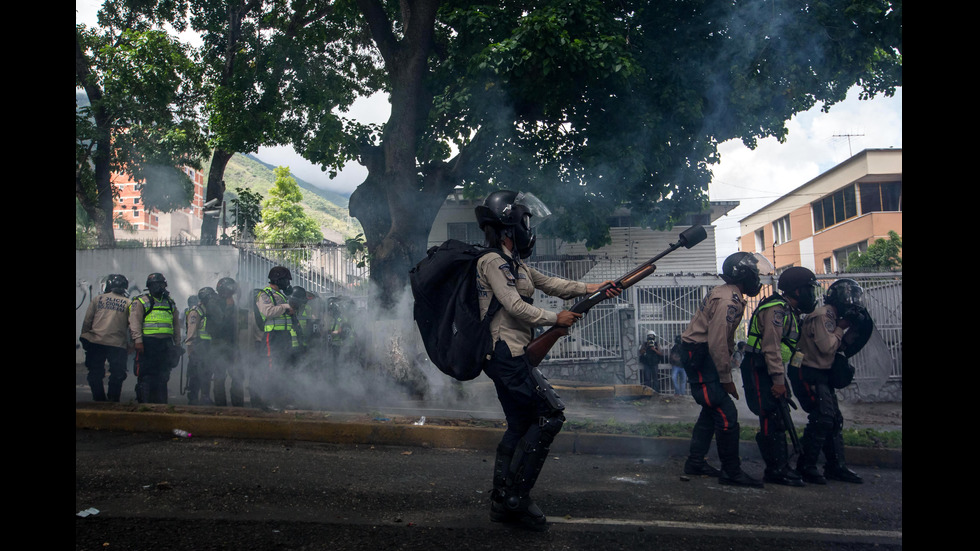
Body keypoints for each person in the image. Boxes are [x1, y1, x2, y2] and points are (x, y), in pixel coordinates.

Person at [474, 190, 621, 531]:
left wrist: (595, 288)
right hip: (505, 354)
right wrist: (556, 319)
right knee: (549, 416)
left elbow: (554, 283)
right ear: (509, 226)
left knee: (520, 424)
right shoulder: (492, 262)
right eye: (525, 220)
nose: (529, 227)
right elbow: (514, 305)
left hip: (513, 355)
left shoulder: (517, 264)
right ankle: (517, 498)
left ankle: (502, 499)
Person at [678, 251, 770, 487]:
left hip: (702, 354)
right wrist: (725, 377)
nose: (757, 278)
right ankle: (731, 471)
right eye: (754, 273)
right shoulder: (729, 300)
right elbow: (717, 341)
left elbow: (722, 341)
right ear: (744, 275)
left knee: (710, 411)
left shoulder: (729, 294)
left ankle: (695, 462)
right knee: (725, 413)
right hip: (701, 355)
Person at [740, 267, 820, 487]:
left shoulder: (790, 311)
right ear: (796, 291)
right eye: (808, 290)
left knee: (779, 415)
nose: (811, 296)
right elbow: (772, 348)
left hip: (771, 368)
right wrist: (778, 380)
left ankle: (782, 465)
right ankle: (775, 469)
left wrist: (785, 378)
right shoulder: (776, 309)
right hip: (759, 367)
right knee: (770, 414)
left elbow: (793, 349)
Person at [790, 278, 869, 485]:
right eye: (849, 298)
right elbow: (827, 347)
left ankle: (836, 467)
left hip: (820, 371)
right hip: (807, 371)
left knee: (833, 419)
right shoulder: (824, 316)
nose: (853, 302)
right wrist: (841, 328)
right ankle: (805, 466)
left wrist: (853, 329)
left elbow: (839, 347)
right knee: (822, 417)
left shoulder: (833, 317)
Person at [129, 273, 181, 404]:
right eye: (155, 284)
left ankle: (161, 404)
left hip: (165, 344)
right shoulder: (141, 301)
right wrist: (138, 341)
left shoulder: (170, 302)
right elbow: (135, 322)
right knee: (146, 375)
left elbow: (176, 325)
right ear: (149, 286)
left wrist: (178, 344)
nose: (158, 287)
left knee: (163, 375)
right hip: (147, 344)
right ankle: (145, 403)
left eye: (161, 284)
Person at [79, 274, 131, 402]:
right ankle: (113, 400)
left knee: (95, 373)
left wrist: (84, 336)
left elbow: (87, 321)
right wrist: (133, 343)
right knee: (118, 373)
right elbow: (132, 326)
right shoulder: (129, 303)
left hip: (96, 341)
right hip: (118, 344)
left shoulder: (98, 299)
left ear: (108, 286)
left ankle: (99, 399)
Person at [254, 266, 296, 409]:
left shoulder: (281, 295)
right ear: (278, 279)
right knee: (272, 367)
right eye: (286, 280)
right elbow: (267, 311)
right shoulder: (265, 294)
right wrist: (285, 307)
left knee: (283, 367)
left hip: (284, 336)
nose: (287, 283)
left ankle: (281, 400)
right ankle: (268, 401)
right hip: (272, 336)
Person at [211, 277, 244, 407]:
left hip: (233, 345)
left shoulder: (232, 302)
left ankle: (238, 406)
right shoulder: (214, 303)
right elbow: (220, 324)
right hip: (219, 346)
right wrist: (230, 307)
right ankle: (220, 406)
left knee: (238, 376)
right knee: (219, 377)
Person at [184, 287, 218, 405]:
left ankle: (205, 396)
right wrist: (190, 347)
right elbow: (191, 330)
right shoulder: (196, 311)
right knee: (195, 373)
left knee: (207, 372)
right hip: (199, 345)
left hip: (209, 346)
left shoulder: (212, 310)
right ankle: (193, 397)